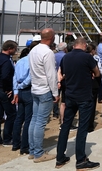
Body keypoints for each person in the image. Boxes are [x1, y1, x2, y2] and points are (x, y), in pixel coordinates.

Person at [56, 37, 100, 170]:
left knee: (66, 125)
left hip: (70, 95)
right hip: (84, 96)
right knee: (82, 127)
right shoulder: (87, 57)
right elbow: (97, 73)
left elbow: (62, 73)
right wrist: (90, 74)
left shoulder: (66, 57)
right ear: (84, 45)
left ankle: (60, 157)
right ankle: (81, 160)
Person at [28, 28, 59, 163]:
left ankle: (33, 150)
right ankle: (39, 154)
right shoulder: (48, 52)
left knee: (34, 120)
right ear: (51, 38)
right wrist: (56, 93)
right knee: (40, 122)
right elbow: (51, 75)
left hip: (35, 88)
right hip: (45, 89)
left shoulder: (33, 50)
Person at [12, 43, 39, 155]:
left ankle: (15, 144)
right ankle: (25, 146)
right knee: (28, 119)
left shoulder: (20, 61)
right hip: (27, 89)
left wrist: (16, 90)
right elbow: (31, 77)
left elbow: (14, 77)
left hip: (20, 90)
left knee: (19, 118)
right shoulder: (33, 61)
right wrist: (22, 86)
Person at [0, 40, 18, 148]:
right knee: (11, 114)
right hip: (3, 90)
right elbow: (5, 76)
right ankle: (7, 139)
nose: (15, 51)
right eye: (15, 49)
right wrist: (8, 89)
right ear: (10, 48)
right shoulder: (6, 61)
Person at [86, 42, 102, 132]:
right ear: (93, 50)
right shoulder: (96, 58)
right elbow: (99, 71)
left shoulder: (82, 58)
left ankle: (84, 123)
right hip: (93, 83)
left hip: (84, 83)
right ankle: (90, 125)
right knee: (92, 104)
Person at [52, 42, 67, 120]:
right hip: (63, 78)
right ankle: (63, 114)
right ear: (65, 48)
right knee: (64, 98)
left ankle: (55, 112)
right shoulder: (66, 56)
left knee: (56, 95)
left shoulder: (53, 56)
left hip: (55, 78)